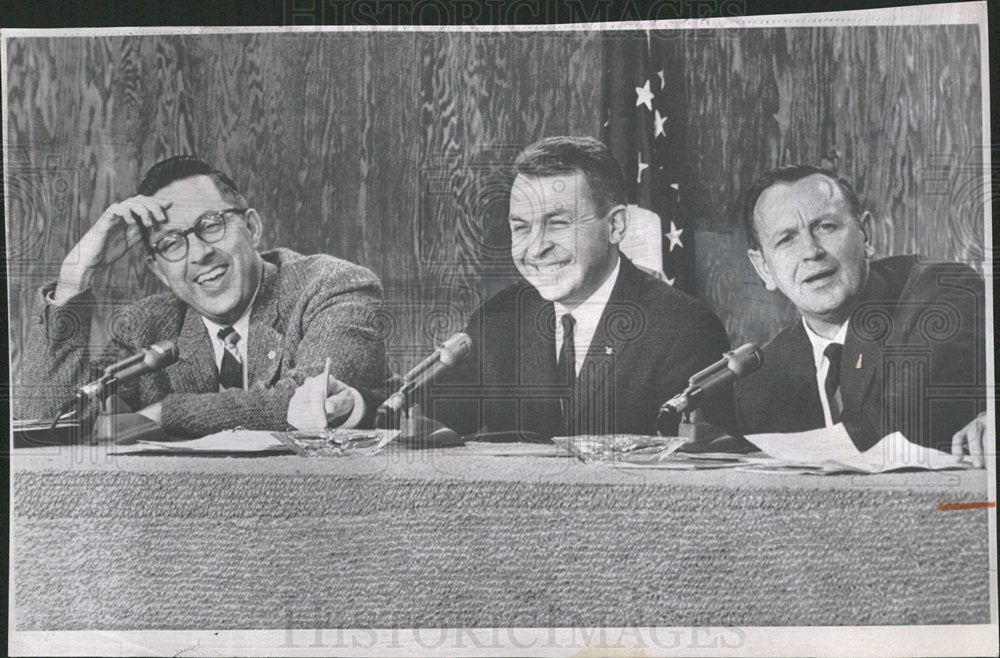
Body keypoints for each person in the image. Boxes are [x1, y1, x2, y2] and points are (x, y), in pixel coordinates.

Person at [16, 156, 386, 438]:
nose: (198, 254)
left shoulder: (333, 287)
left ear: (252, 228)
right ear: (158, 269)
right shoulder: (145, 327)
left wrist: (165, 413)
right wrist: (74, 277)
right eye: (171, 243)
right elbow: (47, 424)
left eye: (210, 225)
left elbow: (314, 400)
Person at [417, 136, 736, 440]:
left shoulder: (683, 328)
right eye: (521, 227)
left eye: (557, 223)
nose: (535, 248)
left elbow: (701, 466)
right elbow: (422, 414)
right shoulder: (499, 320)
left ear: (615, 226)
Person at [736, 165, 987, 467]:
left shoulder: (939, 295)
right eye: (786, 239)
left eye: (826, 227)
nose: (811, 251)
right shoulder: (763, 377)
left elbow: (905, 425)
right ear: (763, 267)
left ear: (866, 234)